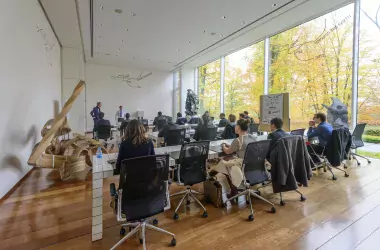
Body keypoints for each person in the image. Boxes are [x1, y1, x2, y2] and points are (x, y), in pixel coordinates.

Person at [212, 119, 257, 199]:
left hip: (242, 167)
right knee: (227, 160)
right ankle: (212, 174)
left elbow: (227, 151)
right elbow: (241, 147)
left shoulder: (238, 140)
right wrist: (230, 146)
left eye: (236, 125)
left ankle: (233, 190)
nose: (234, 127)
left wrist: (223, 146)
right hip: (253, 166)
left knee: (225, 162)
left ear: (238, 127)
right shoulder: (252, 137)